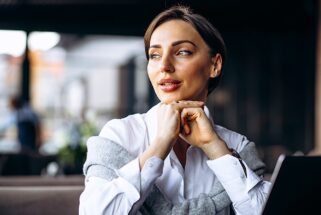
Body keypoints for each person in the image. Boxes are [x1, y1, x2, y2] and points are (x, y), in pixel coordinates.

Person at [79, 5, 271, 215]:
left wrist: (214, 146)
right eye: (154, 55)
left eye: (182, 52)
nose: (164, 66)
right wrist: (160, 145)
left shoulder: (236, 146)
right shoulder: (120, 136)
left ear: (214, 65)